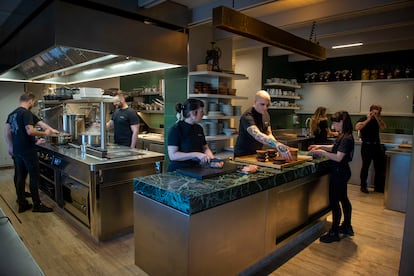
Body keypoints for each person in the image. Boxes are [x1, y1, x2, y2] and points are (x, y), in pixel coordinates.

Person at [4, 93, 59, 213]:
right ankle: (37, 205)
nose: (33, 104)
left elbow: (7, 132)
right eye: (33, 102)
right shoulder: (26, 113)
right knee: (34, 177)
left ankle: (22, 203)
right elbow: (30, 131)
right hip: (28, 151)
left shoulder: (12, 114)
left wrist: (10, 146)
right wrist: (46, 134)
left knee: (20, 176)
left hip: (17, 150)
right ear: (30, 101)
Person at [308, 111, 355, 243]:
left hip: (339, 172)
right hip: (343, 172)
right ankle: (346, 226)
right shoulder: (345, 135)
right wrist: (320, 146)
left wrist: (321, 152)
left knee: (335, 202)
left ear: (342, 122)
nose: (333, 125)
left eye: (335, 122)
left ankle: (334, 232)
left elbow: (338, 157)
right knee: (344, 199)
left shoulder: (346, 137)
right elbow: (335, 148)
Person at [234, 90, 291, 159]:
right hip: (243, 155)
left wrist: (277, 145)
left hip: (257, 153)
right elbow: (257, 135)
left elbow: (269, 134)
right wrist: (277, 145)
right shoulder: (247, 116)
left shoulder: (265, 114)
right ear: (255, 102)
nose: (265, 108)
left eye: (267, 105)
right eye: (262, 104)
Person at [167, 98, 215, 172]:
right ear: (193, 113)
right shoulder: (176, 129)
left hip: (195, 169)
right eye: (201, 111)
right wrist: (196, 154)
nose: (203, 114)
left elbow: (205, 148)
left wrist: (213, 160)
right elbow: (173, 155)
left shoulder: (199, 128)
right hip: (178, 171)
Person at [355, 104, 387, 193]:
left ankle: (378, 187)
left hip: (376, 146)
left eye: (379, 111)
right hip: (366, 146)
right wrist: (368, 119)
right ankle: (363, 186)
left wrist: (377, 118)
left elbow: (383, 127)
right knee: (365, 166)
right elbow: (357, 127)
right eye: (376, 110)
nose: (377, 112)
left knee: (379, 167)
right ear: (371, 110)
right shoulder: (363, 118)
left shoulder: (378, 119)